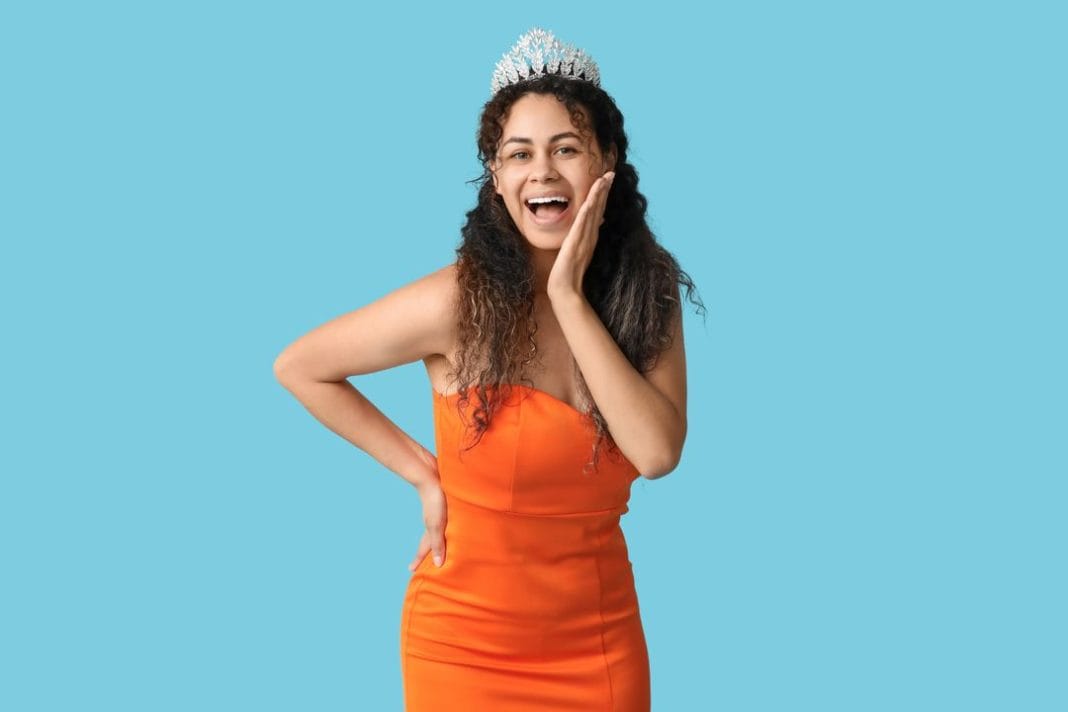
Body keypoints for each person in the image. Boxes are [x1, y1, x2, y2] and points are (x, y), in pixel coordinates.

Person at [274, 27, 703, 711]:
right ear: (497, 179)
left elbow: (655, 453)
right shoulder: (458, 302)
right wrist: (421, 471)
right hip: (464, 646)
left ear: (607, 162)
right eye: (518, 154)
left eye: (567, 148)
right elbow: (301, 366)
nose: (543, 172)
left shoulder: (645, 297)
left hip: (599, 642)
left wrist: (567, 296)